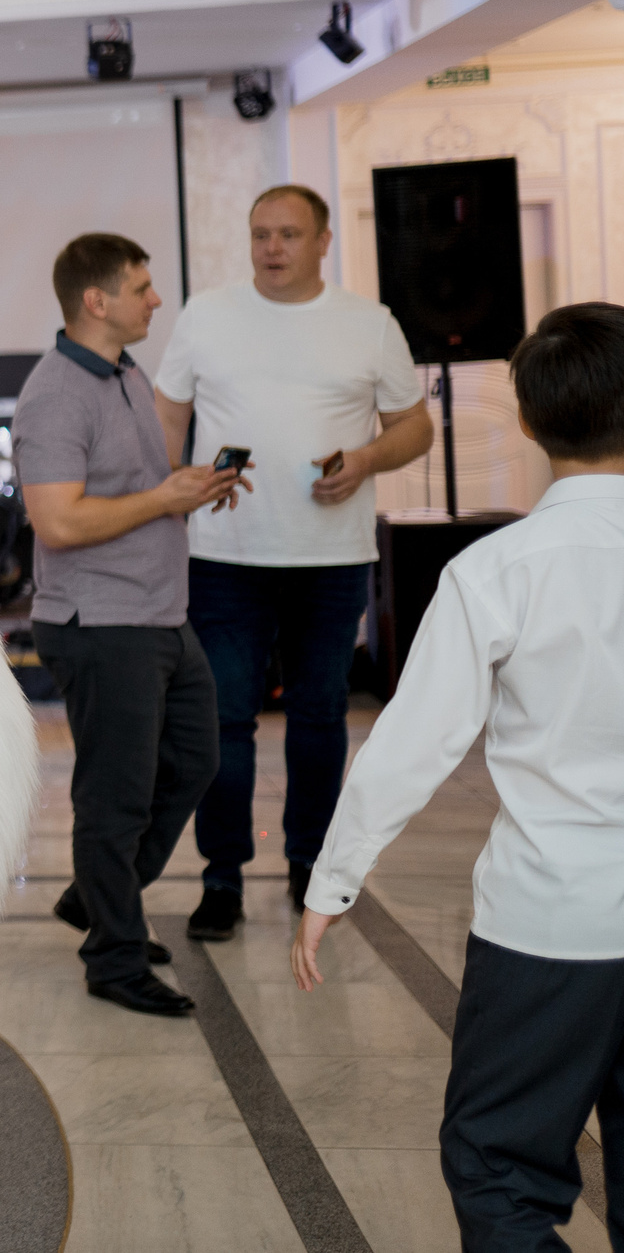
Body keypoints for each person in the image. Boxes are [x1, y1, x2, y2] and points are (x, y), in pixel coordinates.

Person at [292, 302, 624, 1249]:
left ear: (525, 420)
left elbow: (412, 744)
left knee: (498, 1171)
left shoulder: (498, 569)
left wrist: (332, 881)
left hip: (548, 922)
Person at [154, 183, 432, 940]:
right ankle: (221, 878)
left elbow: (416, 427)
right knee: (223, 722)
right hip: (224, 557)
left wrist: (369, 456)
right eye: (259, 234)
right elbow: (167, 413)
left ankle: (311, 865)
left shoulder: (368, 324)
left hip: (331, 557)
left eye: (287, 233)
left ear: (322, 240)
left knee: (318, 718)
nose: (271, 247)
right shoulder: (205, 315)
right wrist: (172, 487)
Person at [14, 233, 244, 1017]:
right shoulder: (54, 394)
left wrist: (191, 487)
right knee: (114, 797)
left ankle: (99, 898)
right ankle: (113, 956)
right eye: (142, 288)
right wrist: (164, 501)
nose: (155, 301)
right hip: (101, 621)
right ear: (96, 300)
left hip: (156, 611)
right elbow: (58, 521)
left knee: (193, 760)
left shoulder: (125, 372)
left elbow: (134, 489)